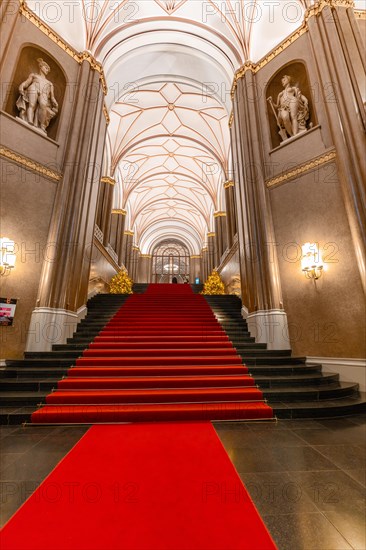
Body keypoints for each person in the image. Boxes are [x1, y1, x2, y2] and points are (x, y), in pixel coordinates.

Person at [16, 58, 58, 134]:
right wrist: (21, 86)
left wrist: (55, 103)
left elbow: (52, 96)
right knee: (32, 105)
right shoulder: (34, 75)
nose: (47, 70)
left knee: (43, 105)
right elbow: (26, 83)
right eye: (46, 68)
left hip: (44, 92)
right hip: (34, 87)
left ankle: (41, 126)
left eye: (48, 69)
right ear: (41, 67)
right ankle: (29, 121)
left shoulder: (49, 83)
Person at [267, 75, 309, 139]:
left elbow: (299, 95)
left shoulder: (293, 88)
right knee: (285, 118)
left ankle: (295, 134)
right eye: (282, 81)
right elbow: (277, 106)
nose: (282, 82)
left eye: (284, 80)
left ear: (288, 80)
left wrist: (305, 100)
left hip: (293, 101)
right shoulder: (280, 94)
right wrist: (272, 101)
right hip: (284, 107)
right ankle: (292, 135)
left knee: (293, 116)